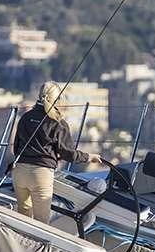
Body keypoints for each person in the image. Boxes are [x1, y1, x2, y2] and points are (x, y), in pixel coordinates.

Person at [11, 81, 103, 222]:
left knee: (23, 219)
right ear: (57, 99)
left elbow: (16, 148)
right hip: (40, 175)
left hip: (19, 172)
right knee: (42, 223)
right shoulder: (58, 122)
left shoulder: (25, 117)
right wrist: (89, 157)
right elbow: (68, 153)